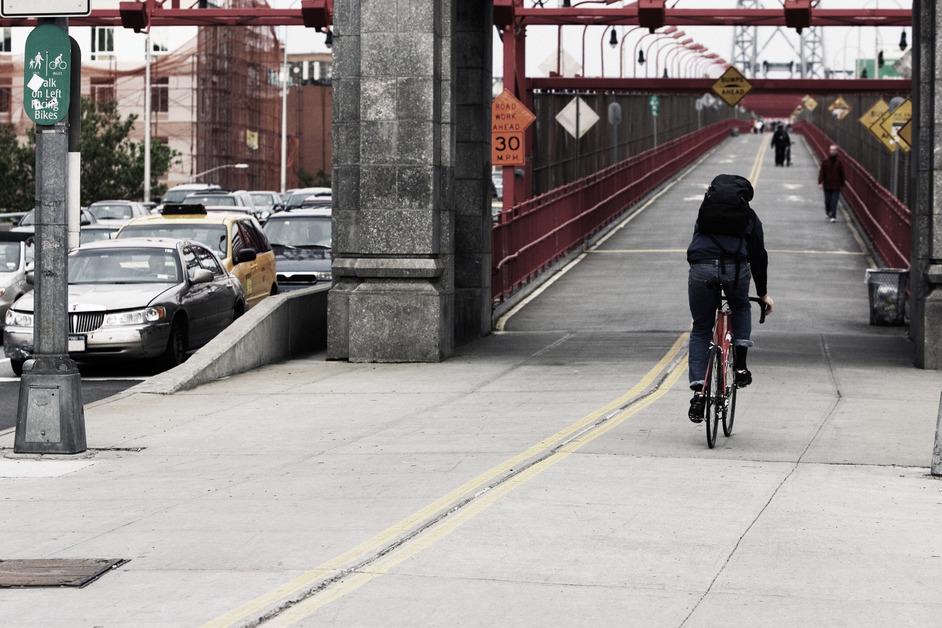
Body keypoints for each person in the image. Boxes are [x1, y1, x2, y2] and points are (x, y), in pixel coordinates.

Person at [686, 174, 774, 422]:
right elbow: (758, 255)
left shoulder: (705, 211)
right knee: (741, 306)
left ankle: (698, 395)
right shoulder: (749, 216)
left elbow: (696, 242)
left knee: (702, 328)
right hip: (734, 270)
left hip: (701, 268)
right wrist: (763, 292)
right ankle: (740, 366)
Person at [818, 144, 846, 223]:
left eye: (834, 150)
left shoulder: (839, 162)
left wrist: (843, 184)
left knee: (834, 201)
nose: (832, 152)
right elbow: (822, 172)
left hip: (836, 186)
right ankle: (828, 211)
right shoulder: (825, 161)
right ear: (829, 151)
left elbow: (842, 174)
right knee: (827, 201)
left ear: (836, 152)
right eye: (831, 150)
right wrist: (820, 182)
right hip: (827, 185)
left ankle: (833, 216)